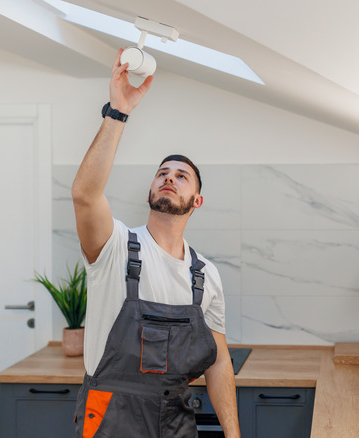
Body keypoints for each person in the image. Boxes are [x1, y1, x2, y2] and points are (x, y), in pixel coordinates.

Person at [70, 49, 240, 438]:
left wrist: (233, 434)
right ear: (150, 189)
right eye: (162, 173)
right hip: (110, 415)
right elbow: (84, 194)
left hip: (175, 418)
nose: (169, 178)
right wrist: (118, 111)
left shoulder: (205, 276)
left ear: (197, 201)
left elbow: (218, 362)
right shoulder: (114, 247)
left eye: (182, 176)